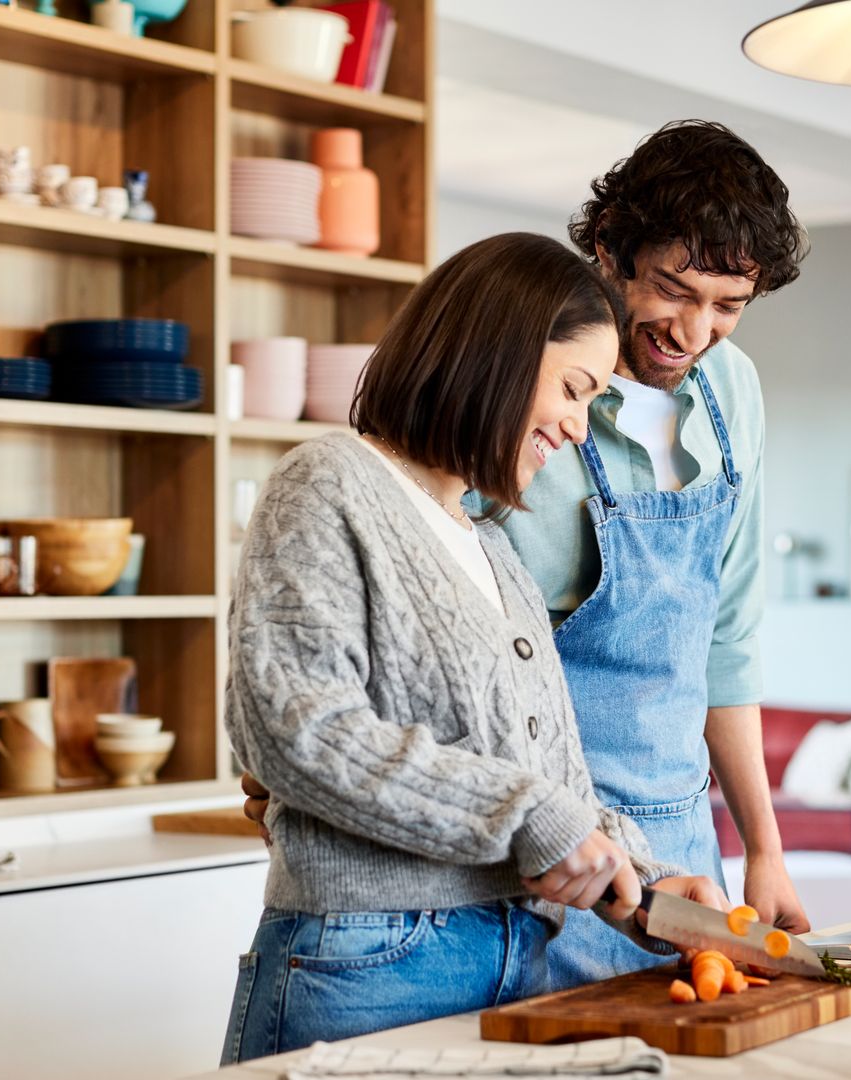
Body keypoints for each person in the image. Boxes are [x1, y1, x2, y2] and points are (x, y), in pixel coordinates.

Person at [244, 120, 814, 988]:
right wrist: (290, 784)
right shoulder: (405, 469)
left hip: (642, 856)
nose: (696, 331)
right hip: (523, 860)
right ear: (610, 247)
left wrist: (760, 849)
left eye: (728, 308)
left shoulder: (730, 395)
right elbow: (343, 691)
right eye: (675, 289)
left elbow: (726, 639)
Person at [219, 232, 726, 1065]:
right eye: (572, 389)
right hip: (369, 961)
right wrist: (532, 818)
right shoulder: (328, 484)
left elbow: (547, 779)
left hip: (517, 957)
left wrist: (646, 881)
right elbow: (294, 730)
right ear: (497, 351)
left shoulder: (491, 547)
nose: (575, 426)